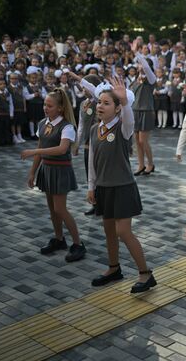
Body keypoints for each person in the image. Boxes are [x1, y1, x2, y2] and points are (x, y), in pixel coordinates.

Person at [87, 77, 156, 293]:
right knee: (109, 231)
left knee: (123, 232)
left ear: (117, 109)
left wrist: (126, 102)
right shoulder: (94, 129)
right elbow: (92, 161)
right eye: (99, 102)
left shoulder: (122, 129)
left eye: (107, 103)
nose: (100, 106)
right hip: (103, 188)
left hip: (123, 187)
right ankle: (113, 268)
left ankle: (146, 274)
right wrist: (91, 186)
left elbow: (129, 121)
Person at [21, 89, 86, 262]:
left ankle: (78, 244)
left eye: (49, 105)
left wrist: (35, 150)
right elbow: (40, 152)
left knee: (60, 209)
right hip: (47, 170)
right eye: (44, 104)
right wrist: (32, 173)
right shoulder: (43, 123)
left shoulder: (67, 127)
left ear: (60, 108)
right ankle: (59, 239)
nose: (45, 108)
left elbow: (62, 149)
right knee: (52, 209)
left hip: (60, 170)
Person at [72, 73, 102, 216]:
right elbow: (81, 125)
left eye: (85, 87)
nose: (83, 90)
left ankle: (103, 203)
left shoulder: (100, 102)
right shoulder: (83, 104)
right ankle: (95, 203)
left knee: (101, 174)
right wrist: (77, 143)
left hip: (100, 143)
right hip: (87, 144)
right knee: (90, 174)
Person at [131, 52, 157, 175]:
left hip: (146, 111)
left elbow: (146, 67)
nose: (139, 65)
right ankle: (140, 164)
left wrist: (137, 53)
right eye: (138, 63)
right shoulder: (135, 79)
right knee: (136, 140)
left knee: (143, 140)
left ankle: (150, 164)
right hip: (135, 110)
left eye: (140, 63)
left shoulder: (151, 79)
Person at [0, 78, 14, 146]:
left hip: (7, 114)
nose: (3, 85)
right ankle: (1, 141)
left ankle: (8, 141)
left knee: (7, 127)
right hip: (0, 114)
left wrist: (11, 113)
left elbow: (11, 104)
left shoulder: (8, 93)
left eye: (4, 84)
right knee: (0, 128)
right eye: (1, 84)